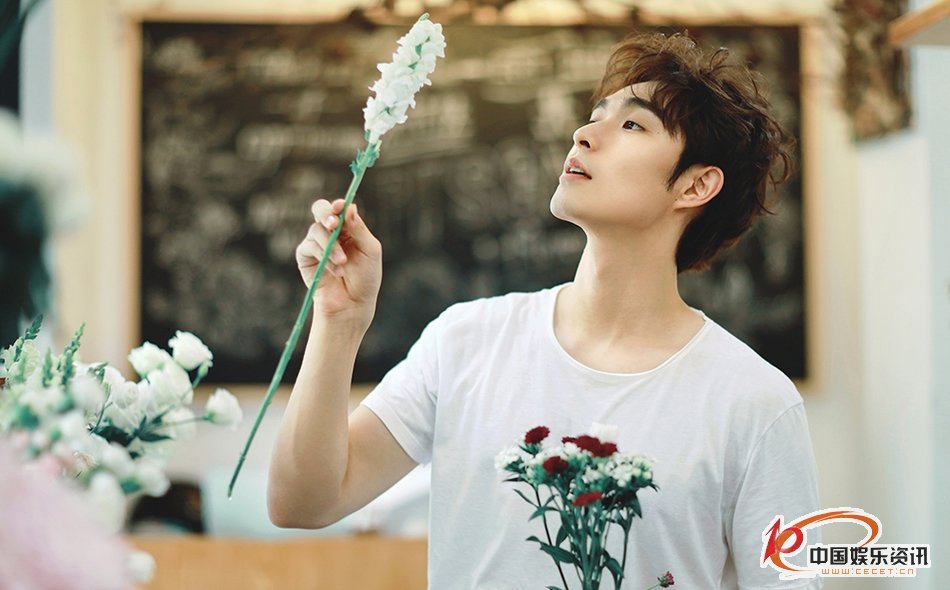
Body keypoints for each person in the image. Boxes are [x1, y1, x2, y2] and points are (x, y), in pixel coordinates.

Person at [268, 31, 823, 589]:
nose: (584, 133)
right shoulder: (465, 342)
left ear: (696, 185)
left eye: (633, 125)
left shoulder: (754, 401)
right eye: (596, 115)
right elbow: (302, 503)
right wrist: (338, 324)